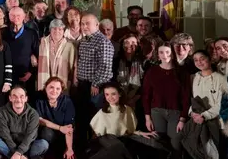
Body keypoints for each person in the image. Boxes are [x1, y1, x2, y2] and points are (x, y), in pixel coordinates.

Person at [141, 44, 190, 159]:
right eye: (161, 52)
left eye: (167, 52)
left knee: (175, 147)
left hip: (175, 113)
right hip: (157, 112)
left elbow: (185, 97)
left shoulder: (181, 72)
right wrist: (147, 117)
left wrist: (182, 118)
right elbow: (146, 95)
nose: (164, 55)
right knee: (161, 148)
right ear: (158, 54)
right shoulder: (152, 71)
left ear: (172, 53)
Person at [182, 50, 227, 159]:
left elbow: (221, 104)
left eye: (202, 58)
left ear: (209, 59)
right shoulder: (194, 78)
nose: (199, 62)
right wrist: (192, 114)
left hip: (215, 122)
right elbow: (191, 99)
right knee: (204, 156)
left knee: (216, 156)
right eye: (196, 60)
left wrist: (205, 115)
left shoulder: (221, 79)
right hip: (198, 122)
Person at [73, 14, 115, 148]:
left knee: (94, 120)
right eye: (83, 23)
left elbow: (105, 67)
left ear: (97, 25)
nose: (84, 26)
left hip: (96, 86)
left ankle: (95, 150)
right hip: (83, 85)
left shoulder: (103, 42)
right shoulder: (84, 40)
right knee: (82, 118)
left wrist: (96, 84)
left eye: (88, 23)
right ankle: (82, 149)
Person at [0, 86, 48, 159]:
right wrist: (18, 154)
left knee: (44, 144)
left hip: (27, 146)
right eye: (14, 96)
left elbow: (30, 137)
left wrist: (19, 152)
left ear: (26, 99)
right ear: (10, 98)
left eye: (21, 97)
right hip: (9, 144)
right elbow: (5, 135)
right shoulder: (2, 111)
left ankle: (9, 157)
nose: (18, 100)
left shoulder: (33, 114)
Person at [35, 77, 75, 159]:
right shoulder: (39, 100)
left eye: (58, 88)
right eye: (51, 87)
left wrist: (69, 148)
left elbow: (69, 127)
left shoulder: (67, 102)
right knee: (46, 132)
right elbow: (40, 120)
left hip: (63, 137)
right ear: (46, 88)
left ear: (61, 90)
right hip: (47, 137)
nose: (54, 91)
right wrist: (60, 128)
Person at [3, 7, 39, 89]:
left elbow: (37, 54)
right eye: (13, 15)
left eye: (18, 15)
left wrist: (31, 72)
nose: (16, 18)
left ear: (24, 16)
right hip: (7, 75)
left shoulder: (31, 33)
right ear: (9, 16)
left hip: (26, 74)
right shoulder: (3, 33)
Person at [37, 19, 76, 92]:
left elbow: (73, 66)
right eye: (54, 29)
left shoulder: (70, 45)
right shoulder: (42, 42)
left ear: (63, 31)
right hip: (45, 79)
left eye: (60, 29)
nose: (57, 31)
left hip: (63, 79)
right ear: (50, 30)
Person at [114, 34, 146, 119]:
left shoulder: (143, 62)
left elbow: (145, 84)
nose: (130, 45)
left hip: (138, 100)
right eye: (127, 42)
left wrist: (133, 99)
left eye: (133, 42)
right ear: (122, 45)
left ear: (138, 45)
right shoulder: (116, 61)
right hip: (118, 99)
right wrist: (122, 98)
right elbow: (113, 81)